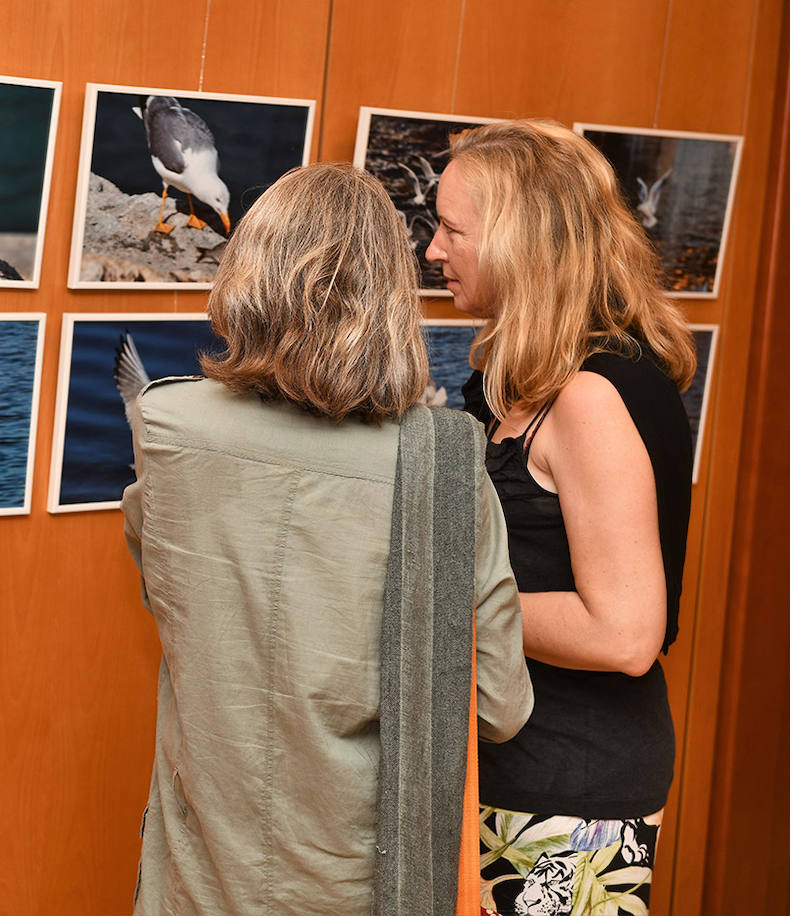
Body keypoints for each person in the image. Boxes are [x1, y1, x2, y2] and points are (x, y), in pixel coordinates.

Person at [122, 161, 533, 915]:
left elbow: (167, 596)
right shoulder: (442, 463)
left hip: (194, 882)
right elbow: (498, 704)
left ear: (250, 268)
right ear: (389, 298)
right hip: (358, 888)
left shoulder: (167, 426)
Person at [424, 120, 696, 916]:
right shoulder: (525, 382)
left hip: (568, 793)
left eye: (451, 229)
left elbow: (624, 634)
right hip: (506, 777)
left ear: (519, 244)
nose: (433, 251)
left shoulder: (589, 396)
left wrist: (439, 605)